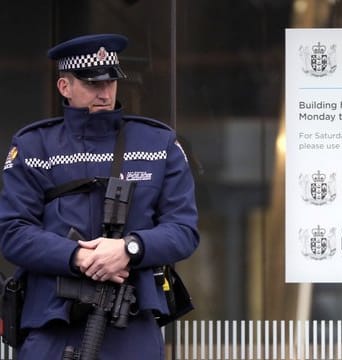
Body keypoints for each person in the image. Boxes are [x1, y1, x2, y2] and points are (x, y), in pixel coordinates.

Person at [0, 34, 199, 359]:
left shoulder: (158, 144)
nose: (105, 93)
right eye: (93, 84)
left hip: (130, 323)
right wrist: (77, 257)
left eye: (111, 82)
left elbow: (184, 230)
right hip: (52, 322)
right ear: (65, 86)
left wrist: (129, 249)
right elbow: (12, 232)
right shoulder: (34, 146)